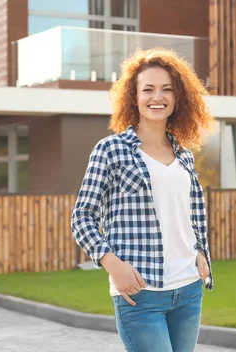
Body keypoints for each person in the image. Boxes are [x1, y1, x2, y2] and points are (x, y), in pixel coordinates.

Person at [71, 48, 215, 352]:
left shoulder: (185, 157)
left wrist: (200, 251)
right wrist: (112, 264)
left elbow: (191, 214)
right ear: (133, 97)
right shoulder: (111, 150)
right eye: (147, 89)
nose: (157, 97)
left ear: (178, 98)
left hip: (188, 289)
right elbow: (82, 217)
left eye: (166, 90)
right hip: (140, 292)